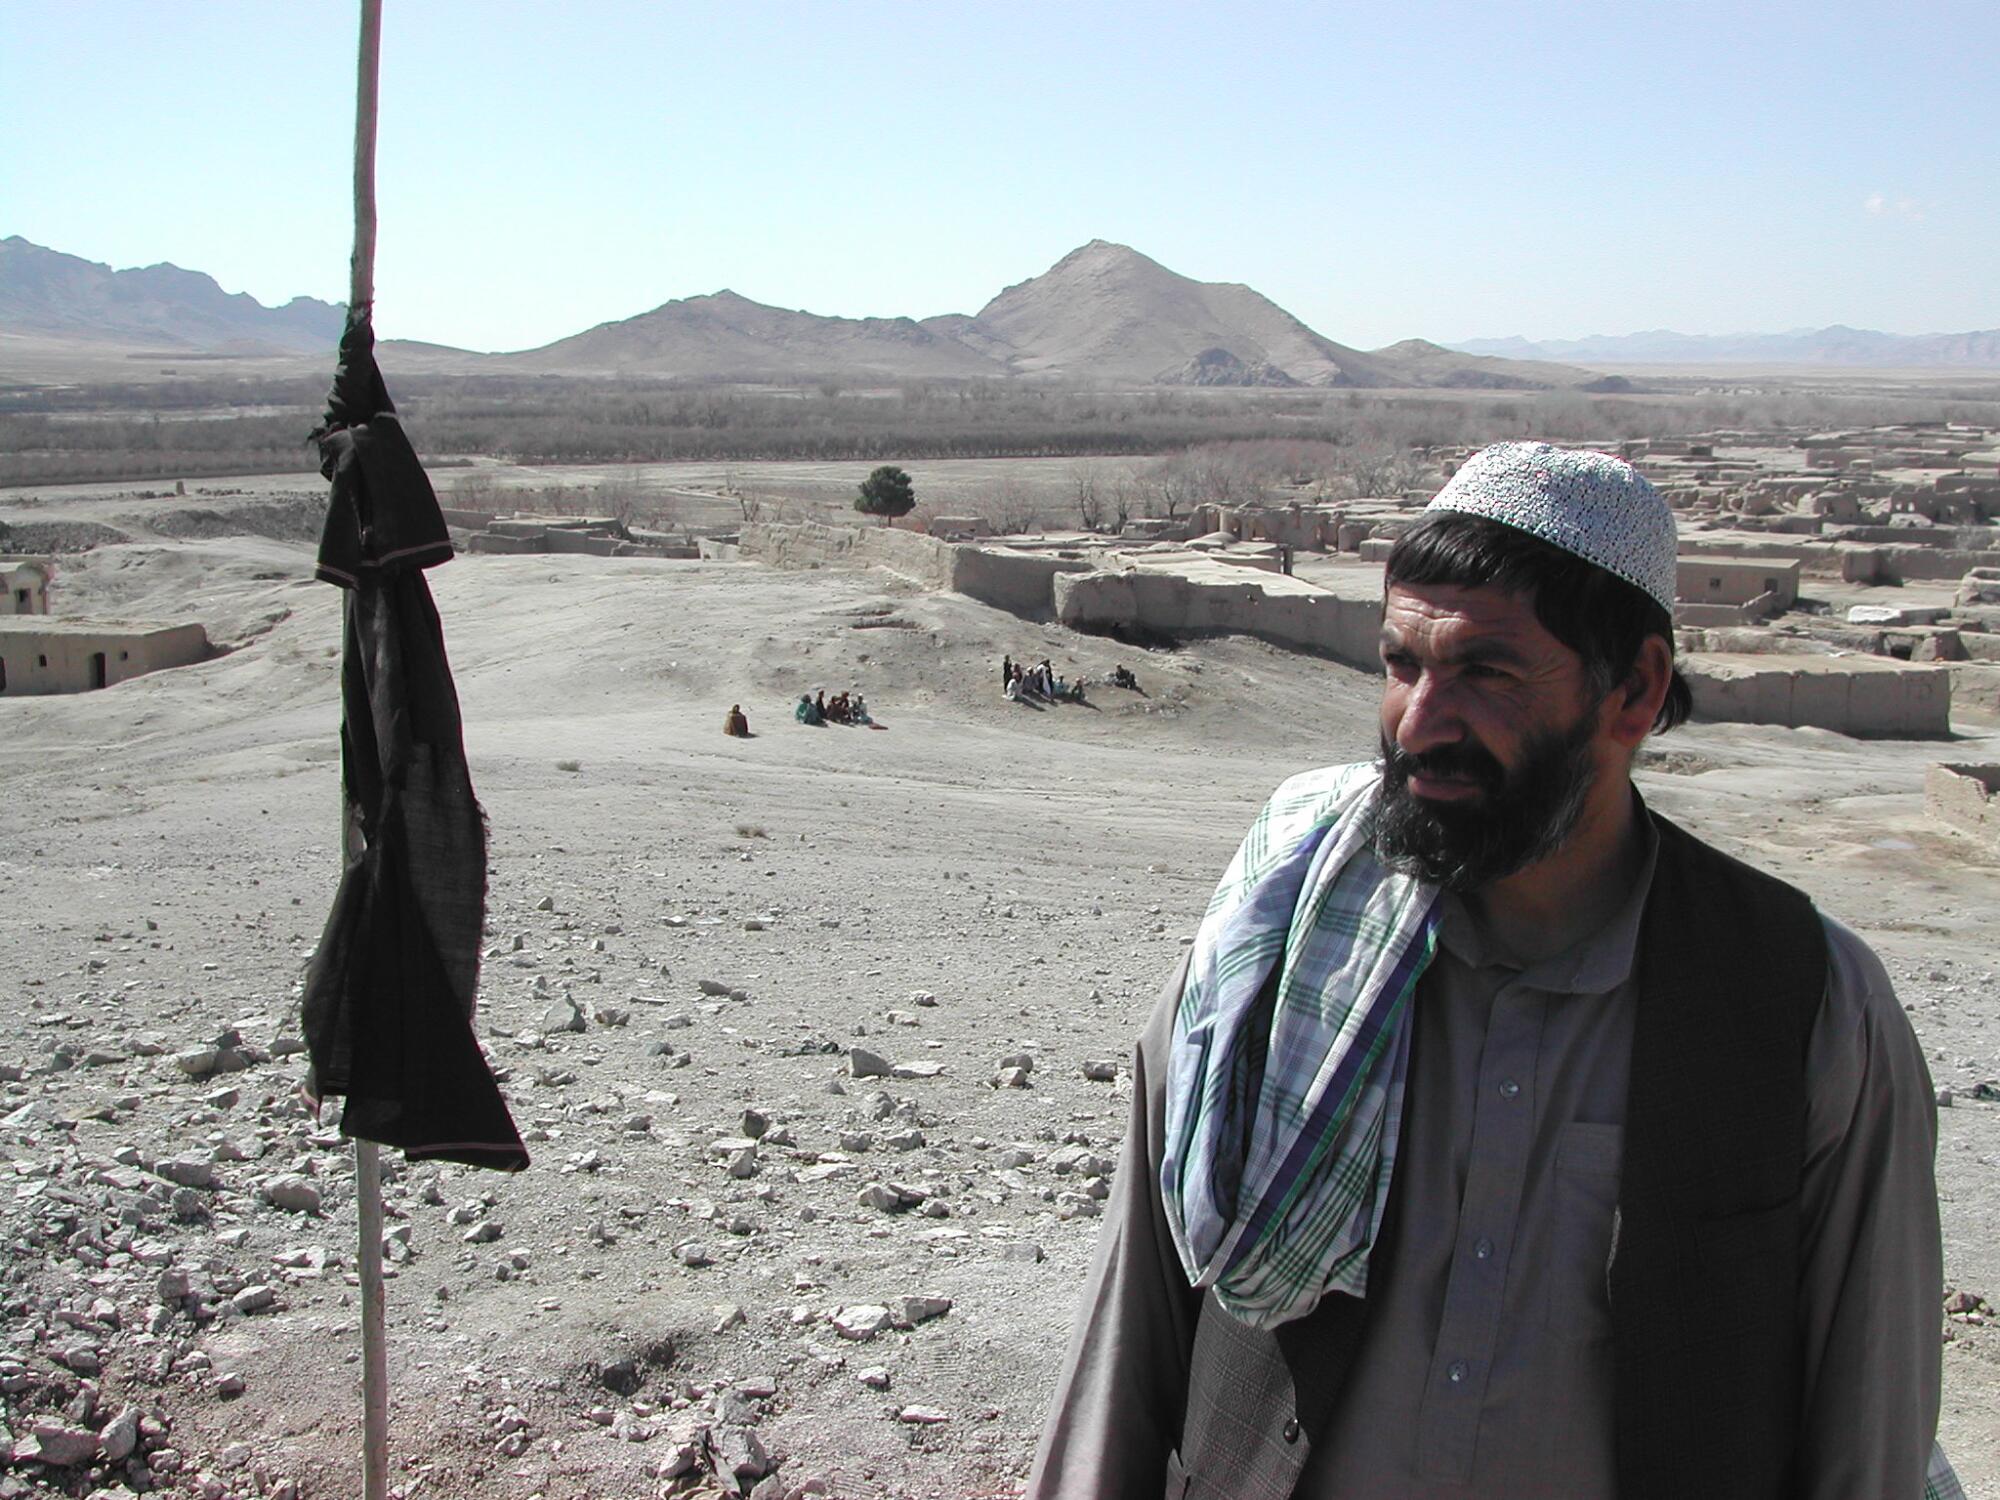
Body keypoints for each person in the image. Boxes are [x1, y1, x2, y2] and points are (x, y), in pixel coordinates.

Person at [1027, 443, 1958, 1500]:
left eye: (1484, 672)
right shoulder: (1277, 940)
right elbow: (1131, 1340)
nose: (1418, 725)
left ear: (1634, 691)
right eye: (1400, 666)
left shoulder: (1806, 1006)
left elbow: (1865, 1435)